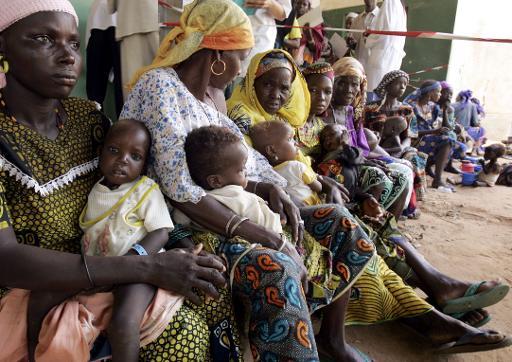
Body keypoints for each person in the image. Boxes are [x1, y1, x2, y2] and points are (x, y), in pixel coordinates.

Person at [123, 2, 376, 360]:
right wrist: (264, 235)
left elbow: (242, 158)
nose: (241, 70)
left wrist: (271, 187)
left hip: (232, 204)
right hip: (183, 226)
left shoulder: (214, 97)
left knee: (341, 224)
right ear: (217, 55)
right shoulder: (160, 87)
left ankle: (332, 339)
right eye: (241, 58)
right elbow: (180, 191)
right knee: (277, 265)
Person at [227, 50, 512, 359]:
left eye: (284, 87)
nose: (277, 94)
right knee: (366, 252)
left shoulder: (281, 118)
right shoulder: (242, 117)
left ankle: (436, 305)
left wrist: (327, 184)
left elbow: (305, 164)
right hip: (274, 211)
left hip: (301, 200)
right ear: (251, 80)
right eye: (268, 85)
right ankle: (431, 314)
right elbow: (255, 176)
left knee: (372, 235)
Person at [0, 1, 228, 361]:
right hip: (31, 288)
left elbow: (135, 191)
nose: (67, 57)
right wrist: (146, 266)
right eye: (44, 39)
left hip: (108, 261)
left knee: (216, 279)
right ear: (2, 49)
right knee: (181, 332)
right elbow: (6, 258)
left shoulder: (88, 117)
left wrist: (181, 246)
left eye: (74, 44)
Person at [19, 119, 183, 361]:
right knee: (40, 298)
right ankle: (31, 349)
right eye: (114, 150)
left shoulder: (145, 189)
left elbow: (160, 232)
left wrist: (131, 260)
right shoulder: (95, 190)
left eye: (135, 156)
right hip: (99, 269)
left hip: (139, 271)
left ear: (144, 165)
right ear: (100, 152)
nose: (123, 159)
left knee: (123, 322)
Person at [325, 57, 413, 218]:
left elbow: (358, 147)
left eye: (354, 84)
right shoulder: (323, 111)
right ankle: (364, 221)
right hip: (337, 164)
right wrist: (366, 161)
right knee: (379, 176)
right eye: (342, 83)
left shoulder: (350, 111)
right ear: (332, 82)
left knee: (401, 176)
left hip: (354, 160)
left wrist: (369, 159)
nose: (349, 89)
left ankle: (387, 226)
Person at [365, 70, 428, 203]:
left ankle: (409, 203)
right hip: (375, 145)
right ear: (387, 85)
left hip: (400, 147)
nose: (402, 87)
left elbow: (410, 136)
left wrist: (402, 149)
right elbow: (365, 132)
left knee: (413, 157)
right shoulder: (371, 108)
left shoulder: (407, 109)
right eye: (399, 83)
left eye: (405, 84)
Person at [404, 80, 463, 191]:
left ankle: (432, 172)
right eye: (438, 92)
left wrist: (445, 109)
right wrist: (434, 132)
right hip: (413, 141)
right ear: (430, 93)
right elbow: (410, 132)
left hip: (427, 138)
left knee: (453, 142)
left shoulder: (433, 107)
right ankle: (437, 180)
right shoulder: (412, 107)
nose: (440, 95)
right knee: (446, 141)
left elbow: (447, 128)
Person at [251, 120, 323, 206]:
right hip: (313, 204)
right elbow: (318, 187)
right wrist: (319, 180)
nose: (295, 143)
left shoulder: (267, 175)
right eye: (290, 139)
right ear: (271, 150)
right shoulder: (297, 166)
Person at [240, 0, 291, 76]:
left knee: (246, 77)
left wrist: (269, 3)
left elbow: (283, 14)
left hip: (258, 36)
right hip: (225, 28)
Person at [296, 62, 334, 159]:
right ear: (302, 90)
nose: (321, 97)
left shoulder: (323, 129)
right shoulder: (288, 123)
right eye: (313, 90)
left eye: (327, 92)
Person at [291, 0, 327, 66]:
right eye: (298, 3)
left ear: (308, 8)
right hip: (288, 56)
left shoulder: (314, 24)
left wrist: (310, 38)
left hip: (305, 60)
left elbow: (317, 48)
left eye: (304, 4)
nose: (301, 6)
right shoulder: (289, 19)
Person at [453, 89, 487, 156]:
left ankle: (475, 149)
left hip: (453, 129)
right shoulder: (472, 105)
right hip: (466, 131)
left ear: (459, 97)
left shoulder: (452, 105)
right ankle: (474, 150)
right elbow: (475, 123)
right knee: (482, 130)